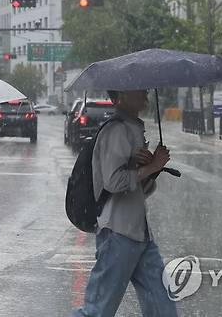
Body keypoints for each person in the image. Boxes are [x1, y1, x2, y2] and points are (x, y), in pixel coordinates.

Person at [72, 89, 178, 317]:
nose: (145, 93)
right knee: (97, 311)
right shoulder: (116, 131)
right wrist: (151, 167)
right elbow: (113, 182)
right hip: (118, 233)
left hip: (139, 234)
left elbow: (141, 190)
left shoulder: (134, 129)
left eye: (144, 89)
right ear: (120, 96)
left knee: (162, 306)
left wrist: (150, 169)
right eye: (137, 90)